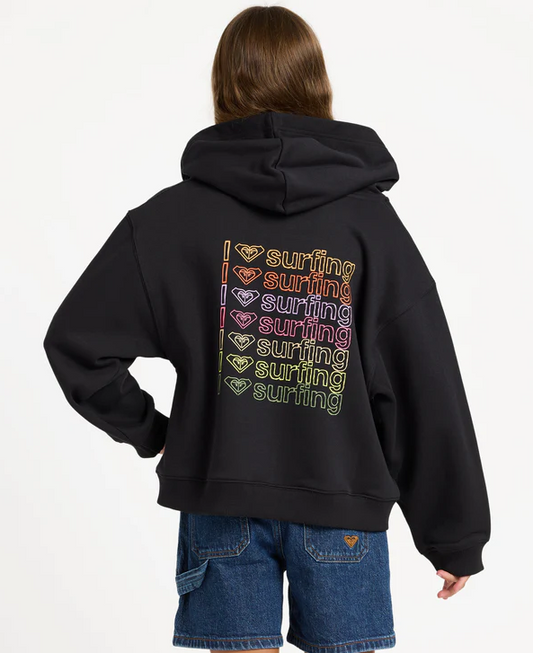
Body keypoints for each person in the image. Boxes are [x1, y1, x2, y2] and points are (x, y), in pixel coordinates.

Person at [43, 5, 491, 653]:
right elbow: (424, 381)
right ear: (316, 82)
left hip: (220, 505)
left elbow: (78, 345)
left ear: (223, 85)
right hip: (340, 509)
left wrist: (154, 433)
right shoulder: (369, 229)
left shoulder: (168, 221)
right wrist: (454, 534)